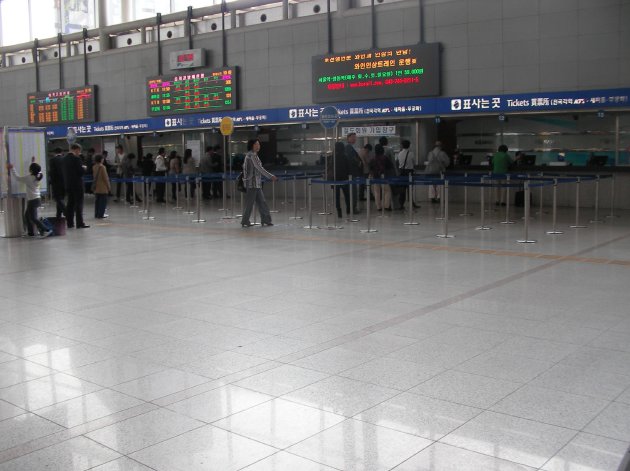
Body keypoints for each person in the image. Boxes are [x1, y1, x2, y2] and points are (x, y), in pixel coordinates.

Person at [7, 161, 52, 238]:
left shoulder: (29, 178)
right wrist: (33, 161)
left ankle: (46, 230)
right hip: (37, 199)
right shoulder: (39, 175)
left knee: (33, 218)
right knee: (27, 216)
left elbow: (18, 178)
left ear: (31, 170)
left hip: (32, 200)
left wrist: (12, 168)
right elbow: (37, 169)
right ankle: (31, 233)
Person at [240, 139, 277, 227]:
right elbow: (259, 168)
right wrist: (270, 176)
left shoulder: (254, 155)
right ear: (251, 145)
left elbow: (258, 169)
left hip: (256, 184)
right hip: (252, 184)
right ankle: (245, 221)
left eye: (259, 144)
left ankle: (266, 220)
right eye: (256, 144)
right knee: (250, 203)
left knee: (262, 202)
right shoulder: (251, 155)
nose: (258, 146)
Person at [62, 143, 89, 228]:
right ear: (77, 149)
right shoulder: (76, 159)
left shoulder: (64, 159)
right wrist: (84, 168)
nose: (79, 153)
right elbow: (80, 172)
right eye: (79, 151)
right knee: (79, 204)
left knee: (70, 204)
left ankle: (70, 223)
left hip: (68, 184)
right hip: (77, 184)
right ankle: (79, 223)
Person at [368, 144, 395, 211]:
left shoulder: (373, 159)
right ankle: (386, 206)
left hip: (375, 177)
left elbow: (370, 168)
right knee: (387, 191)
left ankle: (378, 207)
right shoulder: (385, 158)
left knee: (377, 192)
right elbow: (390, 166)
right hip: (384, 177)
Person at [396, 139, 419, 209]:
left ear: (402, 146)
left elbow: (398, 163)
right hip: (409, 172)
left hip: (401, 172)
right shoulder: (411, 154)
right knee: (410, 189)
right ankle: (412, 203)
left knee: (402, 189)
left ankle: (401, 204)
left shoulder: (399, 154)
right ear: (409, 146)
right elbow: (414, 163)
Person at [333, 141, 351, 219]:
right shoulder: (345, 156)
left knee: (337, 196)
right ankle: (348, 209)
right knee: (347, 195)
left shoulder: (333, 157)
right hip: (344, 179)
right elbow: (348, 168)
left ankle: (339, 211)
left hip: (335, 179)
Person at [344, 133, 361, 214]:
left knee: (353, 191)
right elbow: (352, 159)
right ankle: (352, 208)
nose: (354, 139)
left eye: (355, 137)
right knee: (353, 191)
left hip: (351, 173)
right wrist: (358, 162)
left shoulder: (351, 147)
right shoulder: (348, 147)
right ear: (348, 138)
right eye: (353, 137)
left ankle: (352, 208)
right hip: (351, 173)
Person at [48, 147, 66, 219]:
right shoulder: (64, 159)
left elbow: (52, 172)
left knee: (58, 198)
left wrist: (50, 181)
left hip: (56, 182)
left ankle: (66, 211)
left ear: (54, 152)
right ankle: (58, 214)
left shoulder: (52, 160)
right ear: (62, 152)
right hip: (64, 182)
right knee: (61, 198)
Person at [92, 154, 110, 219]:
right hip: (103, 187)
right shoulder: (102, 167)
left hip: (97, 186)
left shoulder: (94, 167)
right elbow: (105, 178)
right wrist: (108, 186)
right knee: (103, 202)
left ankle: (96, 214)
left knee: (97, 201)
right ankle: (101, 214)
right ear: (101, 159)